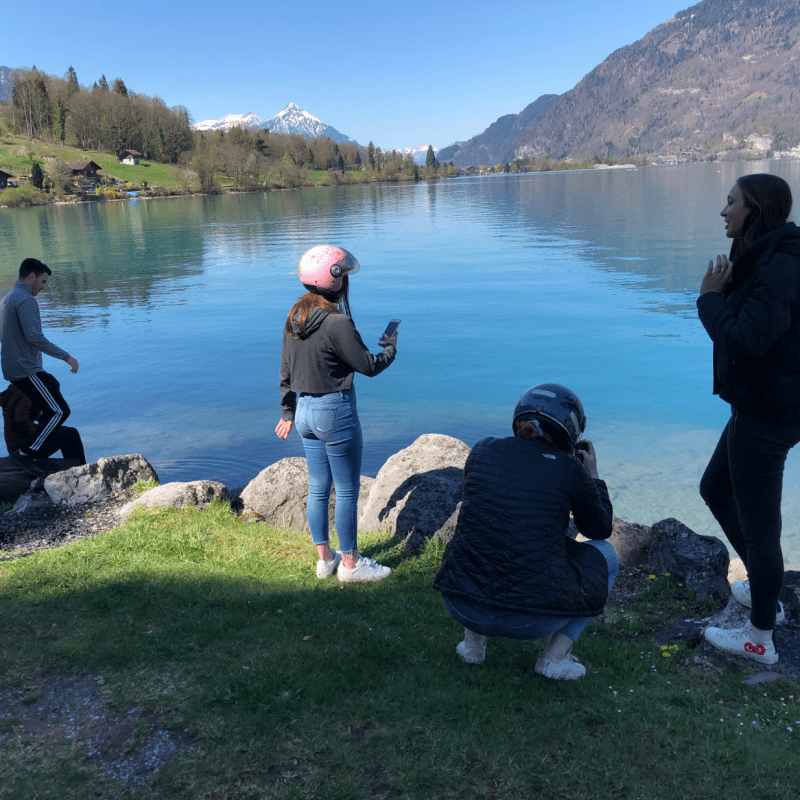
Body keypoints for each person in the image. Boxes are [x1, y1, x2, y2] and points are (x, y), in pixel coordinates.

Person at [433, 384, 619, 680]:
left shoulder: (482, 450)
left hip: (460, 604)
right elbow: (600, 529)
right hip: (529, 622)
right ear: (570, 429)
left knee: (480, 531)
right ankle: (555, 658)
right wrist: (593, 476)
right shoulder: (570, 469)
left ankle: (473, 646)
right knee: (607, 555)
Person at [698, 174, 800, 666]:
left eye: (731, 202)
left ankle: (760, 637)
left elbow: (742, 341)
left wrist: (709, 301)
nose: (723, 211)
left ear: (754, 211)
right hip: (764, 403)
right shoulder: (766, 258)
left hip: (769, 411)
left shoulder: (780, 267)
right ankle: (767, 591)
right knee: (715, 489)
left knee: (761, 529)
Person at [275, 245, 397, 582]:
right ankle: (351, 564)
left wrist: (287, 412)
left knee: (318, 487)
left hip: (304, 414)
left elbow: (285, 371)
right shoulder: (337, 323)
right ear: (337, 281)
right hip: (334, 412)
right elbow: (369, 366)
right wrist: (390, 348)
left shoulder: (294, 319)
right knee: (345, 490)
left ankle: (324, 559)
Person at [0, 258, 80, 477]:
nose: (43, 287)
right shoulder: (25, 300)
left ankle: (34, 450)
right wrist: (66, 357)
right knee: (59, 410)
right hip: (26, 369)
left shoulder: (7, 299)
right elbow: (35, 337)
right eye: (42, 282)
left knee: (51, 393)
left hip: (14, 369)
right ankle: (26, 454)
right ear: (31, 277)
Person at [0, 383, 85, 464]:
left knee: (62, 429)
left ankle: (72, 465)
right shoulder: (25, 394)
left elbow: (30, 417)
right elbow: (21, 419)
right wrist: (37, 437)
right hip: (25, 450)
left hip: (14, 447)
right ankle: (81, 468)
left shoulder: (16, 389)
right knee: (72, 433)